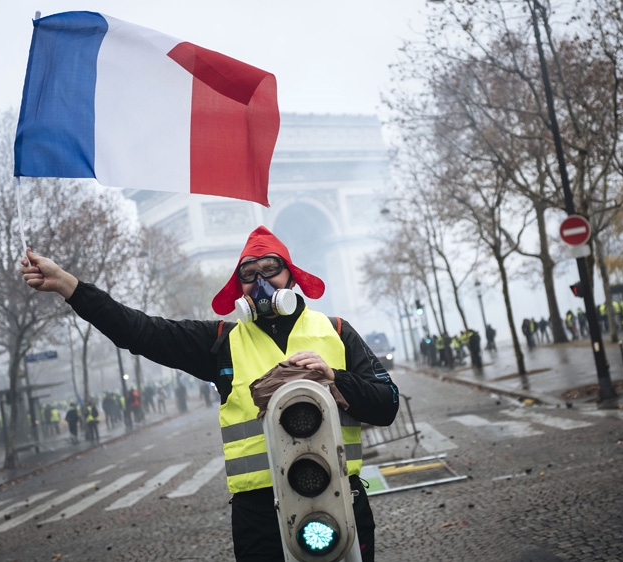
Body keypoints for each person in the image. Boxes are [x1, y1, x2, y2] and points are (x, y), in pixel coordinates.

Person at [21, 225, 399, 562]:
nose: (261, 281)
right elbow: (137, 331)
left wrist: (336, 378)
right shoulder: (221, 342)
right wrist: (68, 286)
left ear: (291, 276)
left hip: (339, 498)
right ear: (239, 289)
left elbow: (387, 404)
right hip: (260, 515)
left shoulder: (336, 330)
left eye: (270, 269)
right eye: (248, 275)